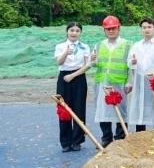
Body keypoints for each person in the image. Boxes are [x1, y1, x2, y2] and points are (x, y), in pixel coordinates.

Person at [91, 15, 131, 147]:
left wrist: (129, 81)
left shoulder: (127, 45)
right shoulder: (99, 45)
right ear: (104, 30)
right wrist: (92, 61)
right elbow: (93, 63)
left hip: (120, 83)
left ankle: (120, 138)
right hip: (103, 83)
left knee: (121, 110)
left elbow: (132, 67)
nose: (111, 31)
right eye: (108, 29)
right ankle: (106, 138)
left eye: (113, 28)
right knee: (103, 111)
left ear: (119, 28)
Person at [54, 22, 91, 152]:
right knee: (64, 109)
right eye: (71, 30)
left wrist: (73, 76)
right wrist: (65, 53)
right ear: (67, 31)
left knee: (79, 109)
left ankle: (77, 141)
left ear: (80, 33)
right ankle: (65, 142)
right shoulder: (60, 46)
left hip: (79, 77)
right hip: (64, 78)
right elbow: (59, 62)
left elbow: (87, 65)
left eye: (77, 30)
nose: (74, 33)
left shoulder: (85, 47)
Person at [127, 18, 154, 131]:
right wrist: (133, 62)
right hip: (140, 81)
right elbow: (129, 61)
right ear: (141, 29)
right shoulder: (136, 45)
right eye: (144, 27)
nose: (146, 30)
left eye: (149, 27)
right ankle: (140, 134)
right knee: (140, 107)